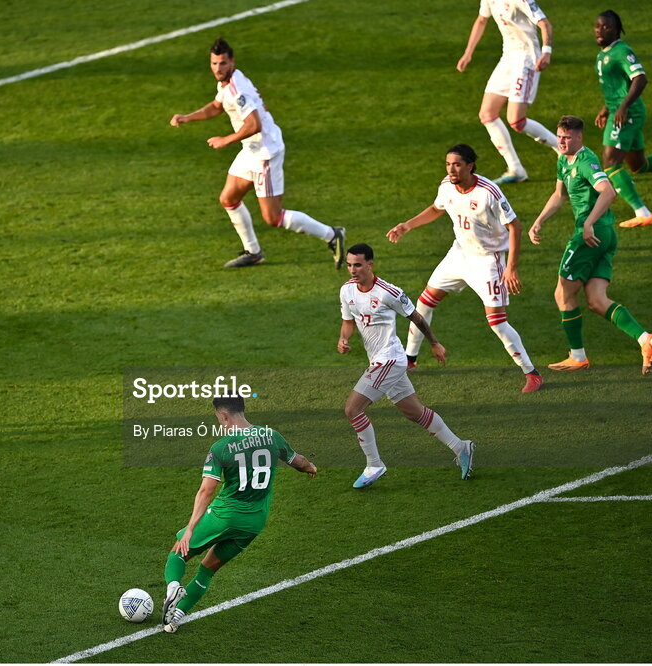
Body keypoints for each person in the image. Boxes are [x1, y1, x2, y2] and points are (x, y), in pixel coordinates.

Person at [169, 38, 346, 268]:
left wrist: (226, 140)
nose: (218, 68)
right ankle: (253, 252)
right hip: (251, 150)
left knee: (273, 217)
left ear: (232, 61)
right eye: (214, 63)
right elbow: (216, 106)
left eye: (222, 63)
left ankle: (332, 235)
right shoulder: (227, 82)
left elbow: (254, 125)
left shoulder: (236, 89)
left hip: (265, 153)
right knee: (228, 199)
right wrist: (187, 117)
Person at [386, 144, 543, 393]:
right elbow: (437, 208)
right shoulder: (446, 186)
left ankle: (531, 373)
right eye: (448, 164)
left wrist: (510, 267)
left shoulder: (489, 192)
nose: (451, 169)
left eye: (457, 164)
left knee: (497, 322)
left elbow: (515, 227)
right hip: (459, 254)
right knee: (424, 302)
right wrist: (407, 225)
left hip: (488, 261)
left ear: (470, 166)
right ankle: (410, 359)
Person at [160, 395, 317, 633]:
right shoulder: (272, 436)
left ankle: (172, 590)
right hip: (254, 522)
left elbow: (206, 490)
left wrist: (190, 529)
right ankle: (175, 618)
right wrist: (311, 468)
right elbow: (298, 461)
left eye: (219, 420)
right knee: (208, 569)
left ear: (224, 416)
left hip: (225, 515)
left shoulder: (221, 448)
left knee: (178, 553)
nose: (220, 425)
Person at [528, 116, 652, 375]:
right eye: (559, 137)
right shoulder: (563, 160)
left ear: (580, 137)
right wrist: (539, 221)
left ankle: (577, 356)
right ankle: (646, 339)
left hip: (590, 235)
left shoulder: (586, 161)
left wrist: (588, 223)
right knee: (597, 301)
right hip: (606, 235)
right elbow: (559, 196)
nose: (562, 141)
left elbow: (608, 191)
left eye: (567, 137)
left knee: (562, 294)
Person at [338, 243, 475, 489]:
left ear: (370, 264)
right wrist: (344, 338)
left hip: (390, 359)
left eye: (357, 264)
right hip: (379, 360)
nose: (352, 270)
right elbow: (348, 321)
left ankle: (374, 464)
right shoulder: (347, 291)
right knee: (414, 412)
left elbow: (417, 316)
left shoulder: (389, 292)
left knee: (353, 409)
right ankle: (461, 447)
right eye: (349, 265)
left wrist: (434, 343)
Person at [592, 10, 652, 228]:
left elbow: (640, 79)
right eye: (597, 26)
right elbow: (618, 85)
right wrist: (606, 108)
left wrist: (622, 107)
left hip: (627, 114)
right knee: (638, 165)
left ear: (616, 30)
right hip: (620, 111)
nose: (600, 30)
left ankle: (642, 212)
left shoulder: (622, 51)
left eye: (606, 27)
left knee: (611, 163)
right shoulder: (604, 53)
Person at [457, 0, 558, 184]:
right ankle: (516, 169)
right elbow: (481, 20)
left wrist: (546, 52)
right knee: (487, 114)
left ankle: (563, 149)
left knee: (517, 121)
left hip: (527, 60)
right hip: (508, 58)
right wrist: (468, 52)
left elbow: (545, 23)